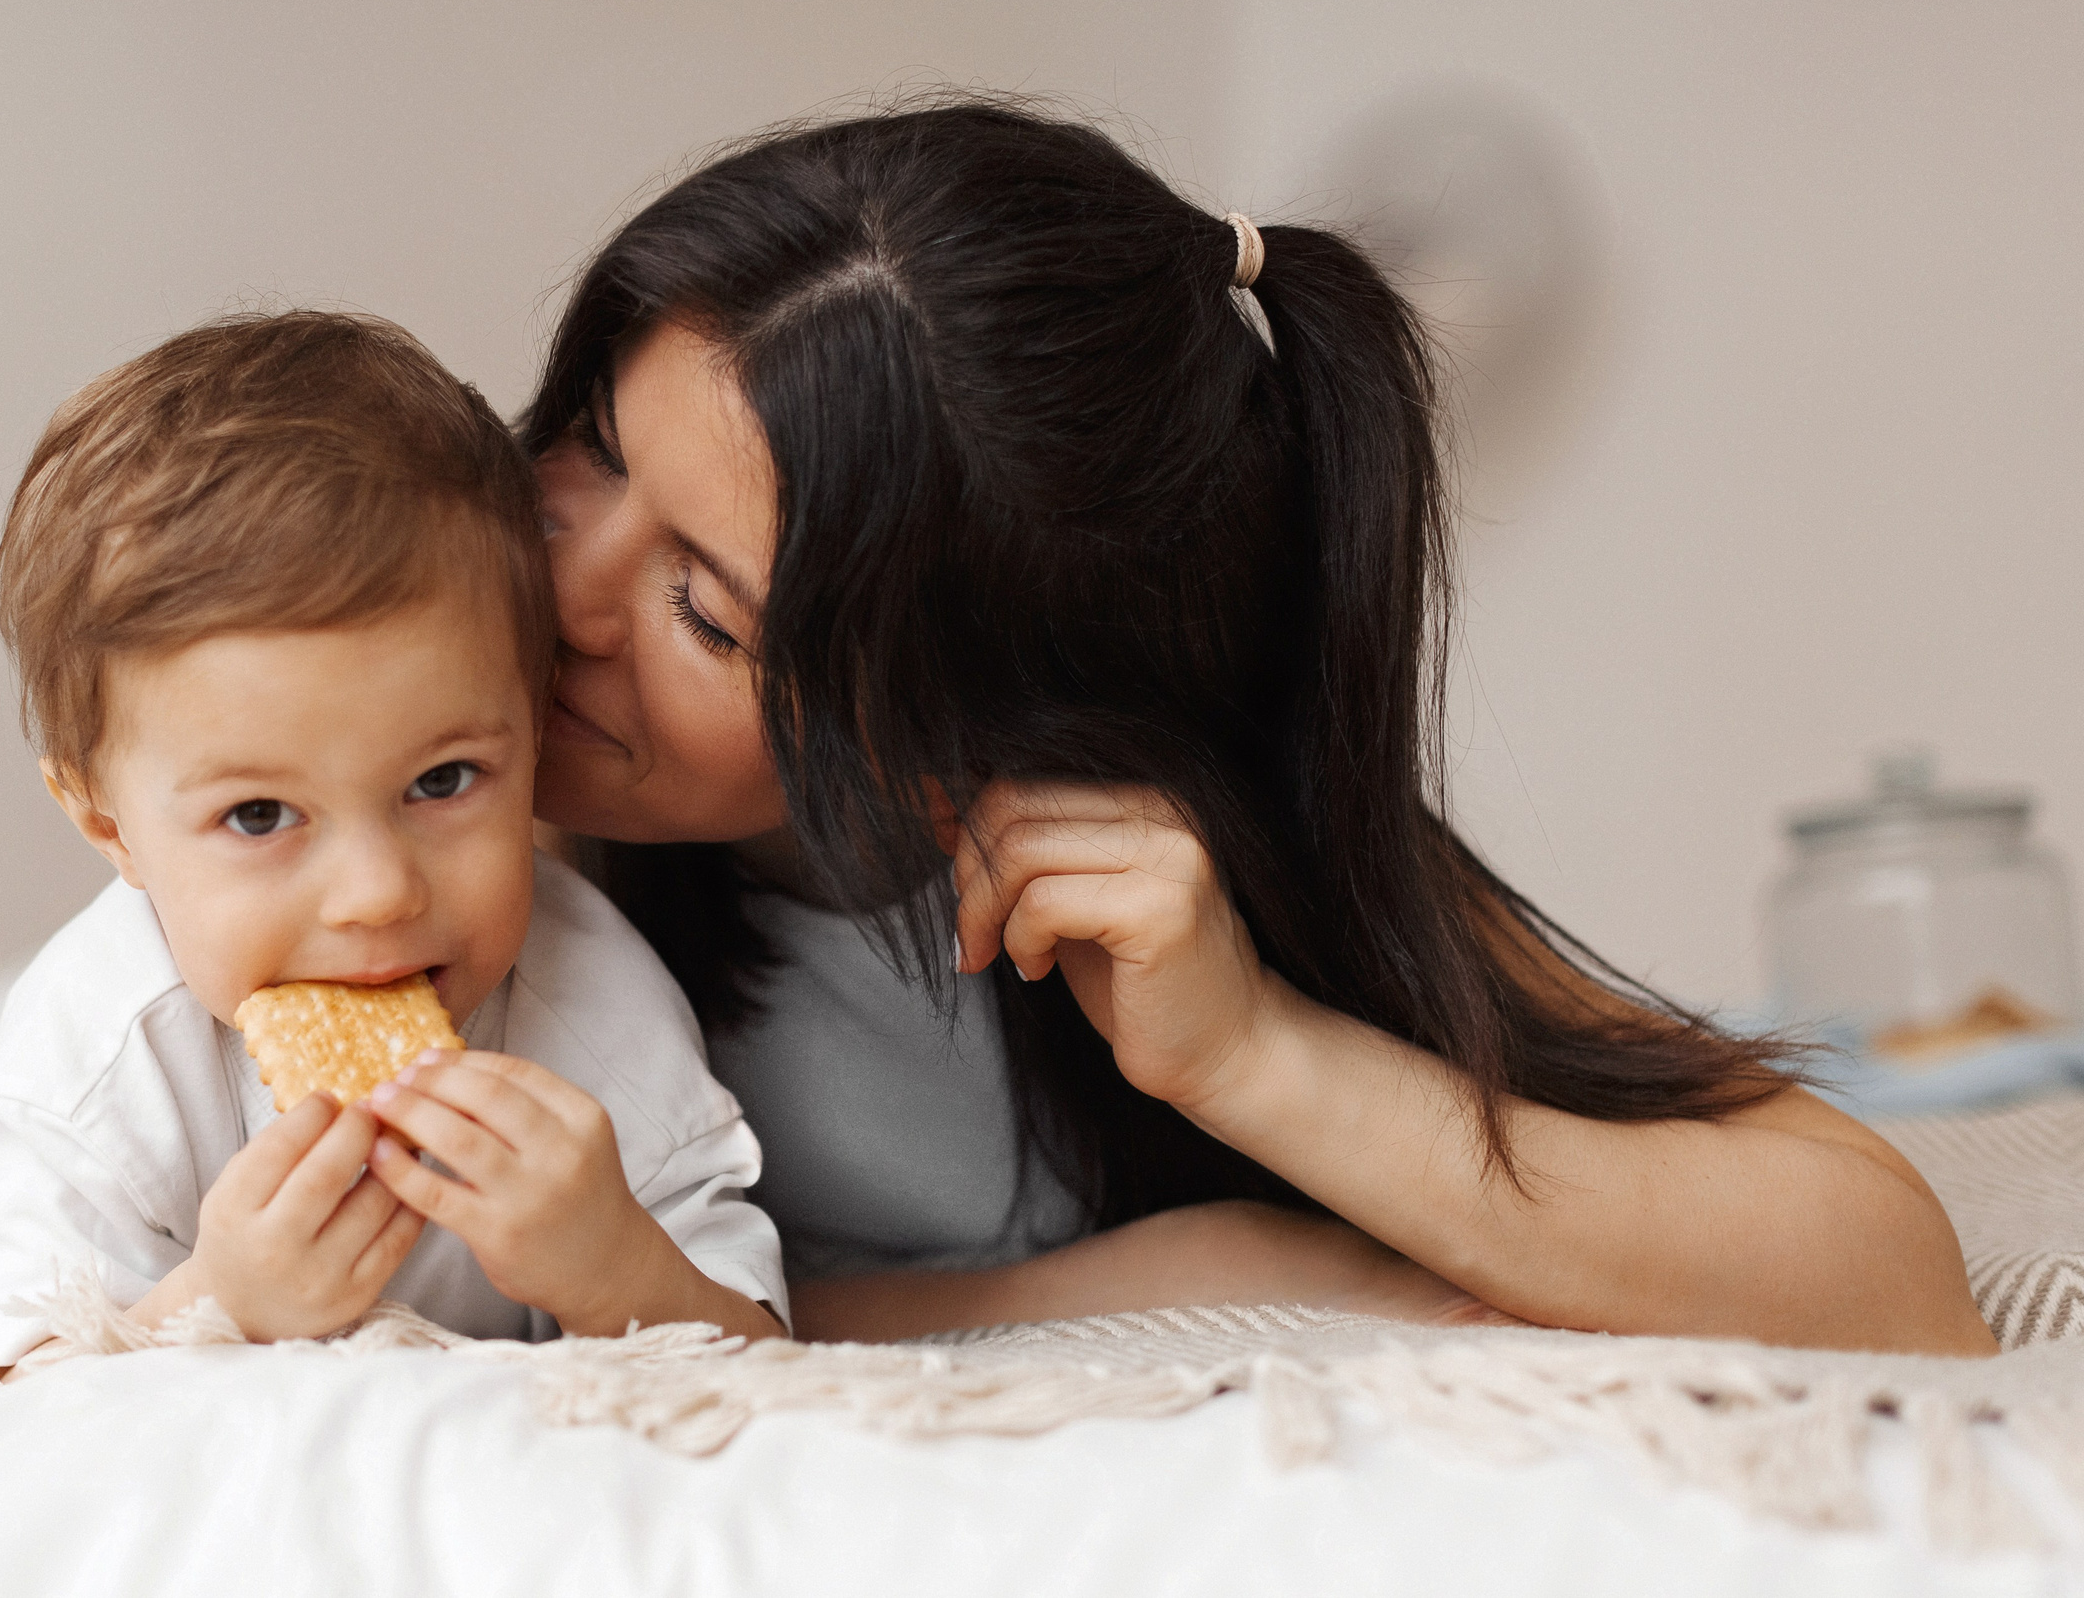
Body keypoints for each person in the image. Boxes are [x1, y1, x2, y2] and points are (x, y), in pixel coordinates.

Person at [494, 96, 1996, 1355]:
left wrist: (1256, 1053)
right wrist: (1174, 1273)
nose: (561, 592)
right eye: (593, 446)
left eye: (707, 615)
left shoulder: (1171, 863)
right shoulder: (433, 808)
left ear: (977, 728)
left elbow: (1889, 1276)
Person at [0, 311, 785, 1372]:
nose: (376, 893)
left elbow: (764, 1351)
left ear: (534, 730)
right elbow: (21, 1392)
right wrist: (220, 1303)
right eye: (260, 816)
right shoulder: (102, 1060)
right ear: (109, 826)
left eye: (441, 781)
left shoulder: (593, 1001)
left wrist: (618, 1269)